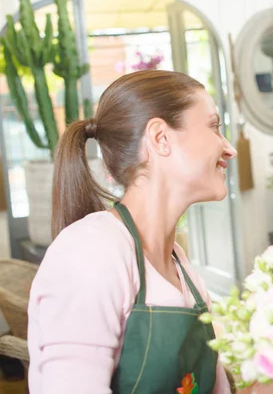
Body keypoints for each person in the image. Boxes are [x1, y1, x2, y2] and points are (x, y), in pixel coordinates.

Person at [27, 70, 235, 393]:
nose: (229, 148)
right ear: (160, 138)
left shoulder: (183, 270)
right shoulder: (90, 252)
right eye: (214, 127)